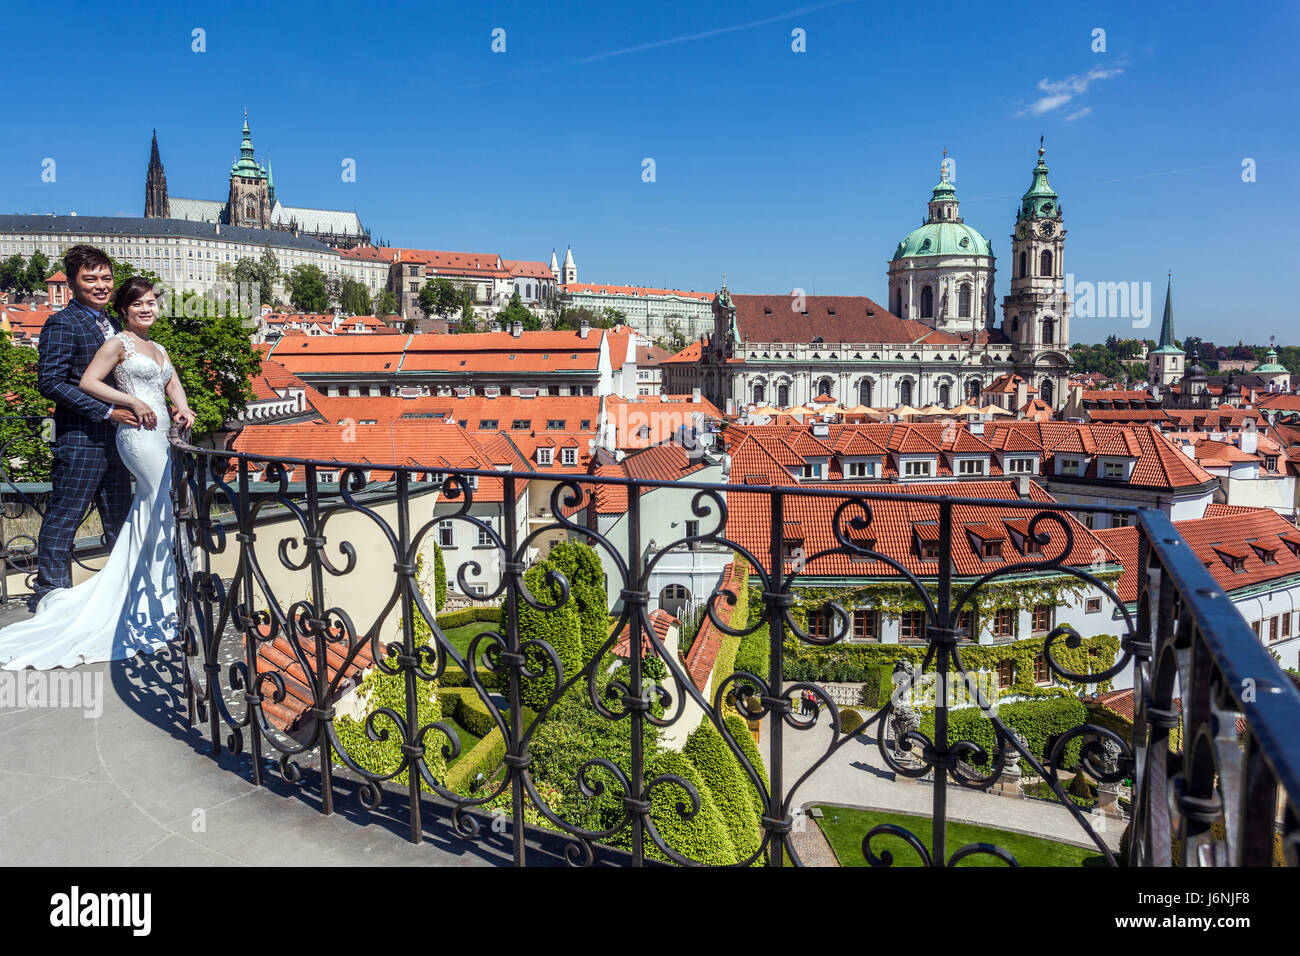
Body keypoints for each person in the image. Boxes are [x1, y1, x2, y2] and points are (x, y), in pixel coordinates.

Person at [0, 275, 195, 669]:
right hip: (136, 435)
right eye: (138, 303)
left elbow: (171, 380)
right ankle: (150, 597)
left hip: (159, 434)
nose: (147, 308)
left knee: (152, 510)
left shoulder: (156, 347)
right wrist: (130, 401)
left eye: (152, 302)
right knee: (157, 504)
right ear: (124, 310)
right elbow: (87, 382)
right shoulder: (116, 342)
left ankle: (154, 592)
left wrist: (183, 407)